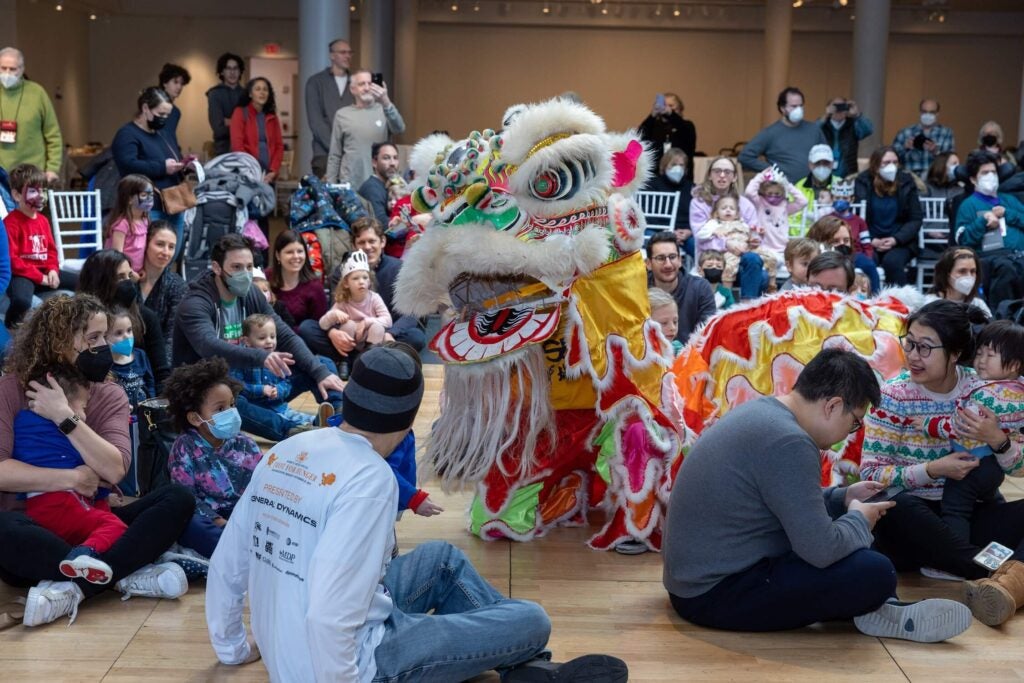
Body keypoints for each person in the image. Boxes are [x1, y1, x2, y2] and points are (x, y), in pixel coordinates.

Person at [206, 345, 629, 682]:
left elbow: (228, 563)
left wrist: (234, 648)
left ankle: (522, 668)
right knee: (531, 620)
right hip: (358, 664)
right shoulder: (371, 479)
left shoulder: (287, 450)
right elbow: (328, 614)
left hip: (296, 647)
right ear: (409, 422)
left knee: (441, 558)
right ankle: (529, 664)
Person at [664, 347, 972, 641]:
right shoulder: (789, 442)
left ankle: (878, 608)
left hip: (700, 578)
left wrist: (842, 497)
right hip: (714, 594)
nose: (848, 433)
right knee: (874, 570)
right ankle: (876, 604)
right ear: (833, 406)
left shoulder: (767, 415)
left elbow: (781, 499)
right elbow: (821, 549)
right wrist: (858, 519)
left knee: (857, 545)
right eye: (854, 423)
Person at [0, 295, 194, 627]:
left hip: (93, 518)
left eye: (105, 337)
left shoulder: (109, 393)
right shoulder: (11, 388)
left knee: (178, 499)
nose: (104, 346)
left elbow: (114, 468)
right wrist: (73, 479)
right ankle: (124, 573)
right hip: (33, 528)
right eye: (93, 338)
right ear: (59, 341)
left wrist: (65, 416)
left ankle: (72, 590)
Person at [861, 300, 1024, 627]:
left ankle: (1005, 583)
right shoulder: (894, 395)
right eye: (909, 343)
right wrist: (934, 470)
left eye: (925, 347)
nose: (913, 355)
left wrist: (998, 439)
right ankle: (995, 572)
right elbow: (872, 474)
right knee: (896, 504)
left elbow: (1016, 468)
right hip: (912, 523)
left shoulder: (985, 388)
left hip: (964, 516)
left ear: (954, 353)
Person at [172, 234, 345, 442]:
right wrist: (260, 357)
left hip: (256, 378)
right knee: (227, 397)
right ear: (217, 268)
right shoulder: (195, 303)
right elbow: (208, 346)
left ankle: (337, 420)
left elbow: (285, 334)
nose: (244, 274)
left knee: (322, 364)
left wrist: (318, 372)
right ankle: (298, 431)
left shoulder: (250, 293)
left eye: (248, 266)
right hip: (208, 386)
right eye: (236, 267)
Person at [913, 320, 1024, 547]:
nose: (981, 361)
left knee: (955, 509)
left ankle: (956, 558)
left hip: (972, 462)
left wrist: (928, 424)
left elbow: (960, 425)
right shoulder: (1018, 391)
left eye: (990, 355)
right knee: (991, 501)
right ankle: (994, 553)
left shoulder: (989, 395)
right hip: (994, 465)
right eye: (980, 353)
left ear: (1013, 364)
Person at [12, 366, 126, 586]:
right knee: (116, 527)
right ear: (63, 404)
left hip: (37, 506)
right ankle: (84, 556)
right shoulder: (63, 431)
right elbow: (93, 470)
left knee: (102, 509)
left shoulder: (23, 423)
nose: (84, 415)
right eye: (83, 407)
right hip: (63, 503)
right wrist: (104, 490)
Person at [164, 357, 264, 561]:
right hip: (210, 520)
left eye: (232, 405)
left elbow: (262, 488)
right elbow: (189, 498)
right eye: (220, 409)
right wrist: (220, 522)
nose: (230, 413)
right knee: (189, 523)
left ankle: (239, 554)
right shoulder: (184, 448)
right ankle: (240, 555)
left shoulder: (246, 444)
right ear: (195, 418)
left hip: (243, 516)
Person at [312, 218, 426, 353]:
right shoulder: (342, 272)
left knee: (416, 337)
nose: (367, 247)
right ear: (354, 245)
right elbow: (334, 308)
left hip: (385, 331)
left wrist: (391, 333)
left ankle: (362, 356)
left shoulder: (400, 269)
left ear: (382, 241)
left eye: (372, 241)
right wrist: (332, 333)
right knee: (309, 328)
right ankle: (352, 355)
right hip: (350, 331)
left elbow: (412, 312)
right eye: (361, 242)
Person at [111, 87, 188, 256]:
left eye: (167, 115)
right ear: (145, 108)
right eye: (160, 114)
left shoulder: (163, 134)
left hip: (174, 204)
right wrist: (162, 167)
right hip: (148, 205)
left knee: (170, 256)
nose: (164, 119)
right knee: (148, 257)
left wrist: (184, 165)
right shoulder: (127, 134)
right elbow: (128, 166)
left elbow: (174, 156)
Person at [77, 249, 171, 387]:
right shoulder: (81, 320)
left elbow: (161, 372)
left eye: (129, 276)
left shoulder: (146, 317)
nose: (128, 283)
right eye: (120, 277)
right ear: (100, 282)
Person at [230, 313, 325, 435]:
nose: (269, 341)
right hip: (258, 412)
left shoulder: (277, 359)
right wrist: (261, 389)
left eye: (272, 336)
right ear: (246, 341)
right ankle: (312, 429)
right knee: (292, 424)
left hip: (279, 407)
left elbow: (286, 383)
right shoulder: (241, 361)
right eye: (262, 338)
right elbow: (237, 387)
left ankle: (324, 423)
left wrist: (278, 390)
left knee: (302, 418)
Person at [954, 150, 1024, 309]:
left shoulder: (1010, 200)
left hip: (1020, 256)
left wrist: (1007, 213)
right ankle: (1001, 321)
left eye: (993, 172)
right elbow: (962, 239)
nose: (990, 176)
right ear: (973, 179)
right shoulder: (968, 205)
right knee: (1006, 269)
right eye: (985, 172)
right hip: (991, 259)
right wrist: (983, 222)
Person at [3, 163, 70, 328]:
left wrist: (53, 269)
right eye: (33, 191)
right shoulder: (10, 223)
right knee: (21, 300)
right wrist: (41, 278)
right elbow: (13, 260)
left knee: (84, 281)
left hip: (44, 272)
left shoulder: (43, 220)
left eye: (42, 190)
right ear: (17, 195)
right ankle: (11, 327)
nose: (40, 196)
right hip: (22, 275)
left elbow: (51, 252)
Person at [105, 305, 155, 497]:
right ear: (105, 338)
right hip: (122, 423)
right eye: (118, 333)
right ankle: (126, 491)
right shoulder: (107, 364)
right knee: (127, 458)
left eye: (129, 331)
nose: (126, 337)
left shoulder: (141, 356)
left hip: (145, 419)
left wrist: (152, 405)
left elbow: (150, 382)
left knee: (144, 456)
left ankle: (143, 487)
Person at [325, 69, 406, 188]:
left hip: (379, 183)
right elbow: (335, 154)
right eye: (362, 84)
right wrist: (330, 185)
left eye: (370, 83)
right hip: (350, 184)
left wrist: (385, 100)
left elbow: (399, 129)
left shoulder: (385, 109)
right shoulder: (342, 115)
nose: (367, 88)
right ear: (353, 89)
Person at [855, 146, 923, 287]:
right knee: (866, 262)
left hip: (900, 242)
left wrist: (895, 239)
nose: (891, 166)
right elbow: (857, 216)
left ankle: (899, 302)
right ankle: (868, 300)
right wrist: (870, 239)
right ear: (875, 165)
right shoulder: (863, 181)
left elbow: (915, 218)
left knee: (892, 263)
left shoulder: (906, 182)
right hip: (870, 240)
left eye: (895, 162)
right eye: (886, 163)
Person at [318, 250, 393, 374]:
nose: (361, 281)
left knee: (378, 327)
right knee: (348, 324)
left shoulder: (374, 298)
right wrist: (333, 314)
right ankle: (344, 361)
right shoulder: (343, 301)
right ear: (346, 284)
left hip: (370, 341)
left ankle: (369, 360)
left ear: (369, 281)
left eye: (365, 277)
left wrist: (367, 322)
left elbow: (388, 320)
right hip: (350, 343)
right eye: (355, 278)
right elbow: (322, 324)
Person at [738, 86, 827, 184]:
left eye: (801, 106)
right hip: (784, 190)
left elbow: (827, 157)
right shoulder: (770, 133)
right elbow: (745, 157)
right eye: (793, 106)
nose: (799, 110)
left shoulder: (814, 130)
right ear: (782, 108)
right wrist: (771, 170)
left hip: (812, 188)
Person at [0, 48, 63, 183]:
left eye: (12, 69)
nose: (7, 73)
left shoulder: (37, 93)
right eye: (3, 68)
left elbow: (53, 134)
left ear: (22, 69)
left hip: (32, 173)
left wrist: (52, 168)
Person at [695, 194, 771, 297]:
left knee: (767, 259)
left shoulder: (742, 224)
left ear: (737, 214)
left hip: (744, 257)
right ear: (717, 213)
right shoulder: (713, 223)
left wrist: (756, 239)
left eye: (731, 208)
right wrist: (714, 231)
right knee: (730, 267)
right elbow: (700, 236)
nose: (728, 210)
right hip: (726, 258)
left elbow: (749, 238)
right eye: (724, 208)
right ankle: (727, 295)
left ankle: (770, 289)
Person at [646, 231, 715, 341]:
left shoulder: (700, 288)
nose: (668, 264)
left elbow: (707, 336)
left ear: (680, 260)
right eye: (660, 258)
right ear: (648, 264)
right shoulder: (639, 289)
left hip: (691, 355)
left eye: (672, 257)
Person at [305, 38, 355, 178]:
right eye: (343, 52)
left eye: (350, 53)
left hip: (352, 153)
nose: (348, 56)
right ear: (332, 55)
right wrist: (338, 149)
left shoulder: (357, 82)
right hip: (324, 154)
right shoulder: (315, 82)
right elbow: (316, 122)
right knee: (329, 197)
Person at [266, 230, 327, 331]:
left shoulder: (315, 287)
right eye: (289, 252)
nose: (296, 256)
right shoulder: (265, 278)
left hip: (303, 342)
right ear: (278, 255)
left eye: (300, 251)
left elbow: (319, 326)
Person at [138, 220, 186, 344]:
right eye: (160, 244)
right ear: (146, 243)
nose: (166, 252)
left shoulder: (177, 285)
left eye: (171, 247)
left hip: (159, 357)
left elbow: (171, 336)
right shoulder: (129, 279)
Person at [230, 77, 283, 185]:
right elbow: (237, 146)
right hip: (247, 172)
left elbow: (279, 146)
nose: (262, 92)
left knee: (268, 202)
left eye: (265, 89)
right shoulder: (240, 113)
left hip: (268, 174)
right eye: (258, 89)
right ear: (250, 94)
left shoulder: (272, 117)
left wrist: (274, 170)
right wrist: (252, 170)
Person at [745, 165, 807, 257]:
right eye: (769, 193)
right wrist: (761, 176)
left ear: (783, 193)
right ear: (764, 192)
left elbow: (803, 201)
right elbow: (749, 192)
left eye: (777, 194)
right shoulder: (760, 203)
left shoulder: (785, 206)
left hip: (782, 248)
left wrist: (787, 185)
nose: (773, 196)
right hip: (763, 247)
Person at [689, 156, 759, 238]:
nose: (722, 175)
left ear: (734, 177)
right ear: (709, 175)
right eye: (717, 171)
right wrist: (728, 244)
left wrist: (754, 241)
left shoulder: (746, 205)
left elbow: (754, 234)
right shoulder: (698, 202)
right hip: (710, 249)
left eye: (727, 172)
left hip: (743, 248)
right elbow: (699, 235)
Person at [805, 214, 876, 295]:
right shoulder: (805, 272)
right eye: (835, 241)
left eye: (846, 240)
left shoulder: (864, 266)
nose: (842, 245)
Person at [644, 147, 694, 256]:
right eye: (674, 164)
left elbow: (696, 215)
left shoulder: (692, 188)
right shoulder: (652, 185)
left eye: (681, 165)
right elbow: (647, 216)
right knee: (652, 241)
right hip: (657, 230)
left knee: (698, 246)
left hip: (684, 234)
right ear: (664, 166)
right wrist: (666, 231)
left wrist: (689, 231)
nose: (678, 168)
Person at [103, 174, 154, 274]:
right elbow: (117, 256)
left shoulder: (145, 220)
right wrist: (130, 273)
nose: (150, 199)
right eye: (144, 195)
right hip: (121, 274)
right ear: (129, 199)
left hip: (137, 273)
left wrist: (143, 269)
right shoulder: (122, 224)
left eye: (151, 195)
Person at [892, 99, 955, 178]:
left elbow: (951, 161)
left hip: (935, 178)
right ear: (920, 112)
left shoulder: (946, 133)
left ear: (937, 114)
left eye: (932, 112)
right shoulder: (905, 132)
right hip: (910, 178)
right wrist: (905, 147)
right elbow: (892, 158)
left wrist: (936, 152)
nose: (927, 115)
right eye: (924, 111)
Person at [637, 92, 697, 174]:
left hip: (681, 176)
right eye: (664, 105)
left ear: (680, 108)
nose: (666, 108)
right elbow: (640, 136)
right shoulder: (654, 126)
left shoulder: (687, 125)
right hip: (657, 176)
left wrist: (671, 114)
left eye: (671, 105)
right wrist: (652, 116)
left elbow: (685, 132)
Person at [925, 246, 991, 318]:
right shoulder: (930, 304)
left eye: (972, 271)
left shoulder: (978, 304)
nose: (969, 276)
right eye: (962, 271)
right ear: (947, 273)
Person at [791, 144, 842, 236]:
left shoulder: (840, 184)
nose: (822, 166)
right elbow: (792, 217)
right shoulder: (799, 186)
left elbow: (847, 215)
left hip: (834, 236)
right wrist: (806, 237)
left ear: (832, 164)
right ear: (810, 164)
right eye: (817, 163)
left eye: (826, 163)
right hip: (804, 238)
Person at [819, 96, 873, 179]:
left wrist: (857, 115)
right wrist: (825, 115)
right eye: (835, 107)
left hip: (848, 175)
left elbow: (868, 130)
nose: (839, 110)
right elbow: (812, 133)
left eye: (842, 106)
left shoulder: (853, 125)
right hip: (825, 172)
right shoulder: (823, 125)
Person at [206, 53, 245, 157]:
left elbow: (253, 126)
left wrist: (229, 121)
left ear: (240, 71)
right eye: (228, 68)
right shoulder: (214, 94)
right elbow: (219, 130)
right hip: (224, 151)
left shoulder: (247, 94)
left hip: (246, 151)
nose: (232, 72)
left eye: (235, 68)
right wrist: (241, 124)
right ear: (222, 72)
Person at [359, 142, 401, 226]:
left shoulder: (394, 185)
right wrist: (413, 222)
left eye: (395, 158)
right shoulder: (371, 187)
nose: (392, 163)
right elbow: (382, 225)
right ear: (374, 162)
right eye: (386, 158)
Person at [156, 63, 191, 142]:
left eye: (181, 84)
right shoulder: (155, 106)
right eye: (175, 82)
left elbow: (170, 137)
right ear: (165, 83)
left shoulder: (176, 112)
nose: (179, 87)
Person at [648, 287, 683, 356]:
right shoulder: (639, 358)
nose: (672, 328)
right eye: (664, 323)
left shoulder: (679, 351)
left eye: (675, 322)